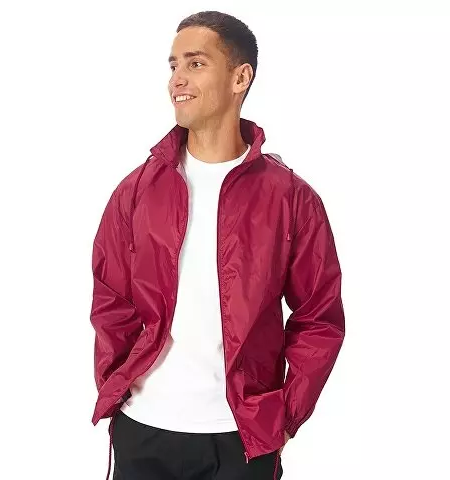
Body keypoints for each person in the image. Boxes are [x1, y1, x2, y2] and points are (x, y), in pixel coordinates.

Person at [89, 10, 345, 480]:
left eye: (195, 63)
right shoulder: (137, 191)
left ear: (240, 78)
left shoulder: (291, 198)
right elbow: (110, 301)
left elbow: (319, 317)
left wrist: (286, 416)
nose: (177, 79)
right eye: (173, 65)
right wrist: (116, 385)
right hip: (144, 429)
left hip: (240, 438)